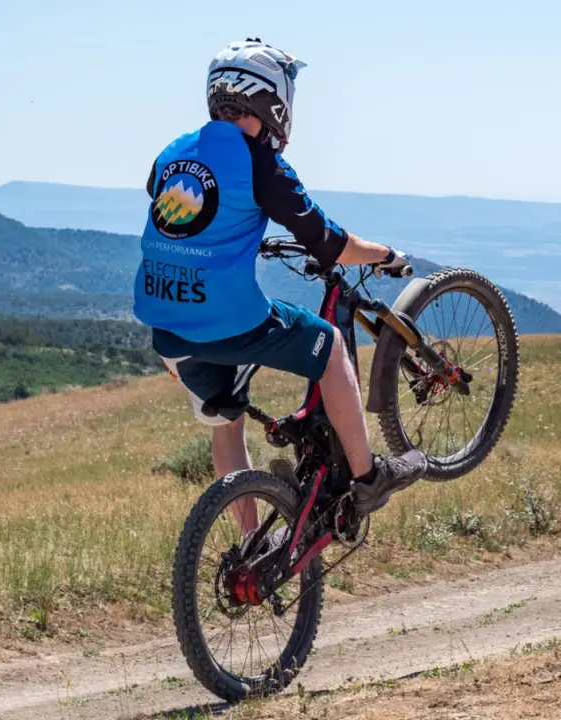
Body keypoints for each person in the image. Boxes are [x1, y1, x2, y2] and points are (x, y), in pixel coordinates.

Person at [134, 38, 427, 531]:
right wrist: (384, 254)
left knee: (228, 425)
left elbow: (183, 214)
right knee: (330, 347)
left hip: (167, 331)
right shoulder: (261, 164)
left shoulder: (173, 151)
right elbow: (331, 244)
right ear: (273, 101)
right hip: (229, 322)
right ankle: (368, 477)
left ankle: (252, 545)